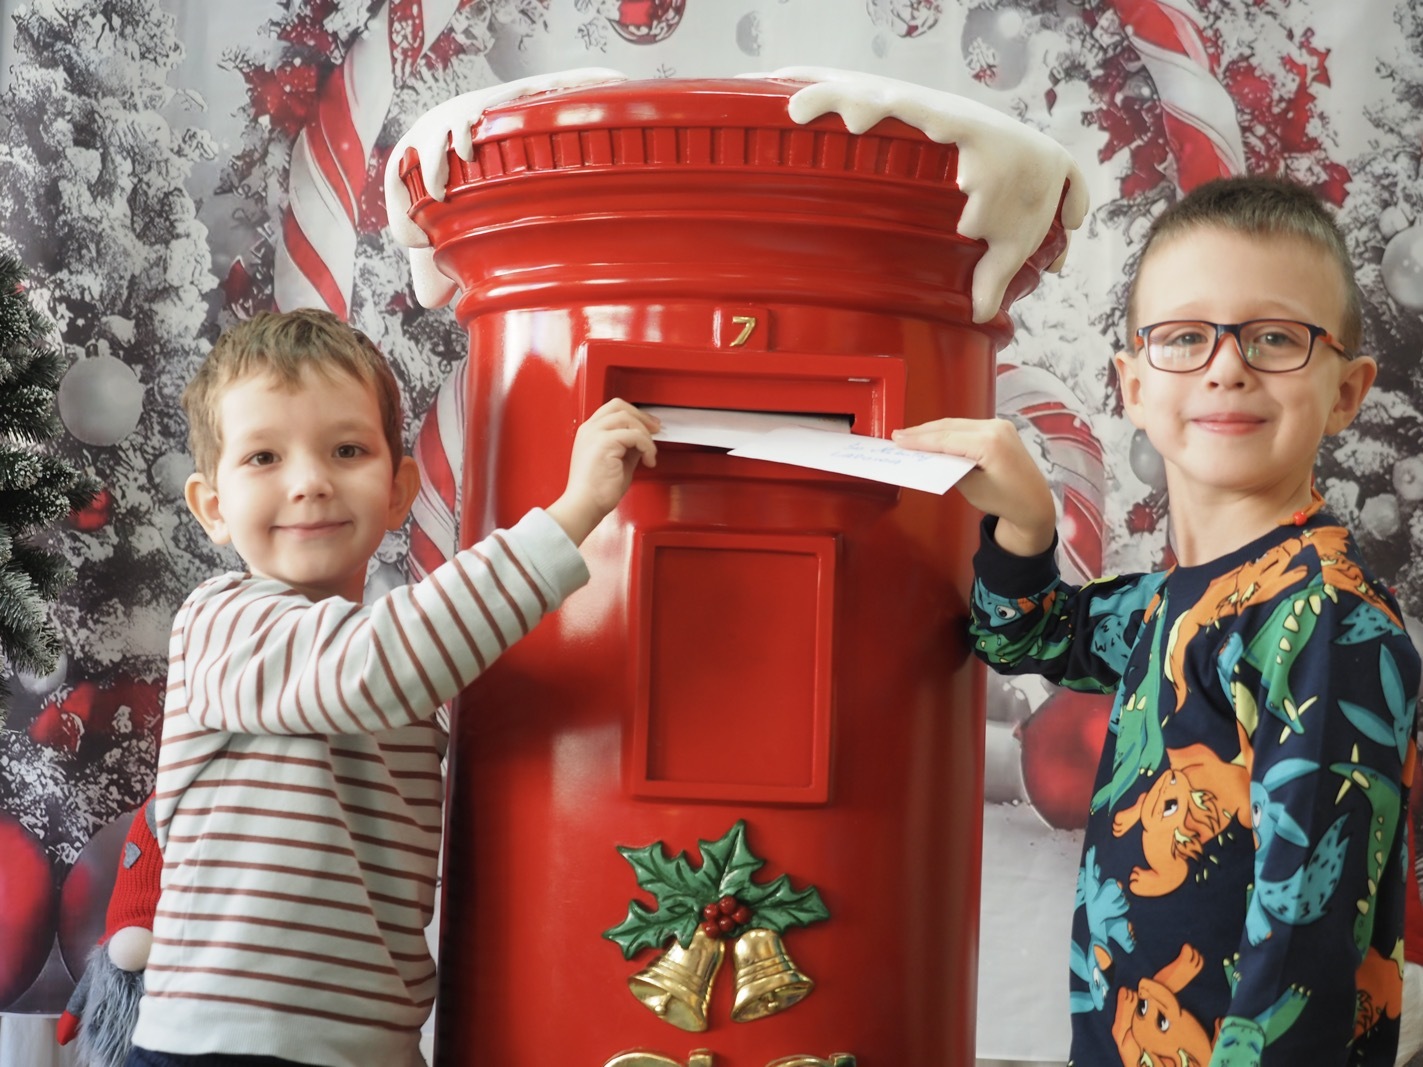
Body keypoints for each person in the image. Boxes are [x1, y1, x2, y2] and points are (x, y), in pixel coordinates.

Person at [893, 175, 1421, 1065]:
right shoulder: (1167, 601)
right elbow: (1024, 634)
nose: (1226, 366)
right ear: (1133, 386)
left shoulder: (1324, 620)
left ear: (1345, 391)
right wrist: (1025, 526)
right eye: (1184, 336)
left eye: (1274, 337)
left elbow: (1303, 958)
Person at [122, 308, 658, 1067]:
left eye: (347, 450)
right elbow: (369, 666)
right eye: (264, 457)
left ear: (399, 488)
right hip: (219, 1050)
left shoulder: (412, 649)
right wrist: (575, 511)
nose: (310, 483)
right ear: (213, 508)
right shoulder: (221, 623)